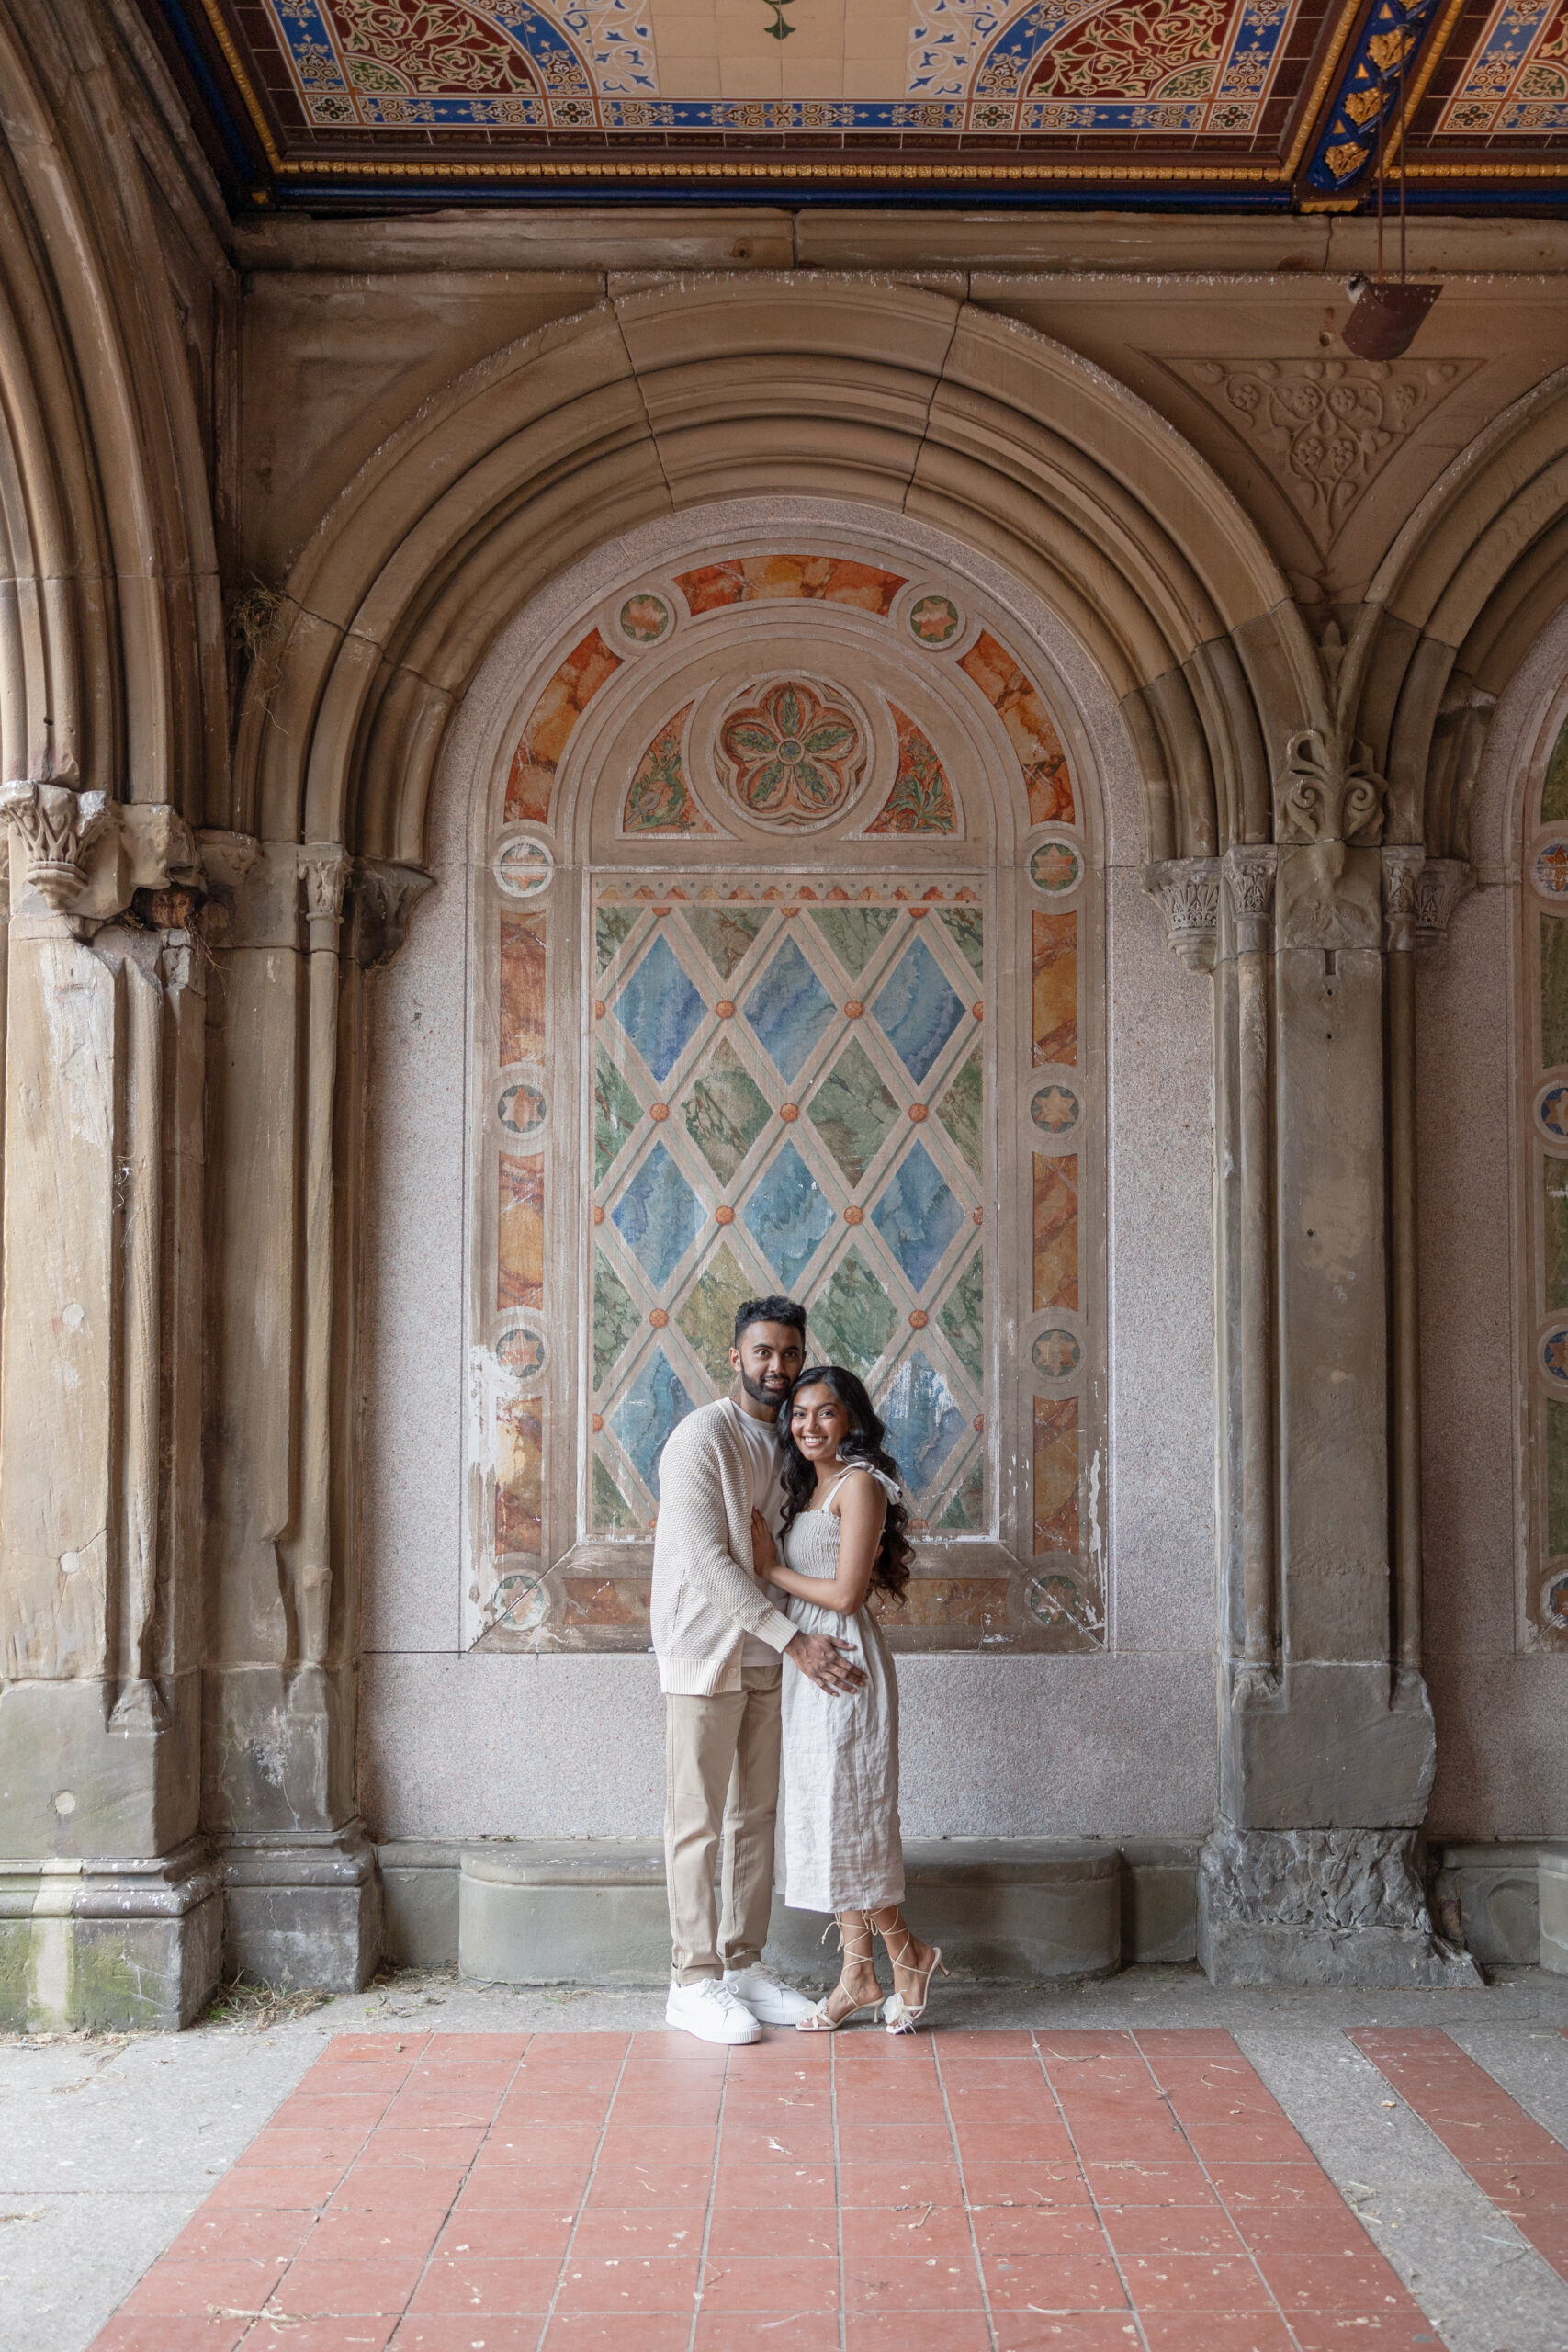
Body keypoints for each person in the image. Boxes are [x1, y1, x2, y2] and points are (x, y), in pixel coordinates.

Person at [651, 1297, 869, 2045]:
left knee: (755, 1819)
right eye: (762, 1352)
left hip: (768, 1654)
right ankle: (692, 1980)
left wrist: (790, 1639)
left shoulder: (785, 1442)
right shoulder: (698, 1439)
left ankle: (742, 1965)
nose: (775, 1366)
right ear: (734, 1357)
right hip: (704, 1653)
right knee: (697, 1824)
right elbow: (708, 1561)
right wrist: (792, 1639)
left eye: (787, 1353)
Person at [750, 1364, 946, 2033]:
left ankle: (904, 1955)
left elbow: (845, 1594)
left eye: (825, 1412)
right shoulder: (810, 1487)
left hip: (845, 1662)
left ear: (851, 1419)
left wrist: (767, 1566)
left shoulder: (859, 1485)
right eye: (799, 1413)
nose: (808, 1425)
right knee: (829, 1822)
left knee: (851, 1821)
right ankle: (862, 1974)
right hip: (808, 1663)